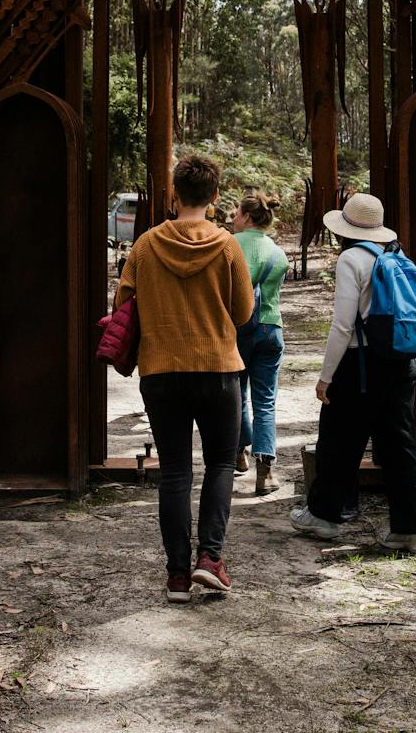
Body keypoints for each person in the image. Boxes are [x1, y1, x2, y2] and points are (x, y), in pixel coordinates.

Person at [115, 154, 255, 602]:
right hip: (218, 369)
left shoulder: (145, 246)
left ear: (174, 194)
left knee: (175, 471)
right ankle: (210, 560)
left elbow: (122, 303)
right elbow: (244, 312)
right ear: (215, 196)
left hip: (161, 370)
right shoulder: (227, 245)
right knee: (220, 464)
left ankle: (177, 576)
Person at [290, 192, 416, 554]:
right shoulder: (396, 254)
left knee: (338, 438)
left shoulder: (351, 259)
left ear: (346, 230)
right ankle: (414, 531)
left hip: (361, 364)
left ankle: (325, 516)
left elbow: (343, 325)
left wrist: (325, 376)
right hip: (401, 362)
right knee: (400, 443)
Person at [230, 191, 289, 495]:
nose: (233, 217)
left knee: (236, 394)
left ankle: (239, 452)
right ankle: (265, 473)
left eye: (236, 212)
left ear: (247, 216)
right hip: (270, 329)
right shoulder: (278, 253)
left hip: (237, 330)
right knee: (265, 402)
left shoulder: (229, 245)